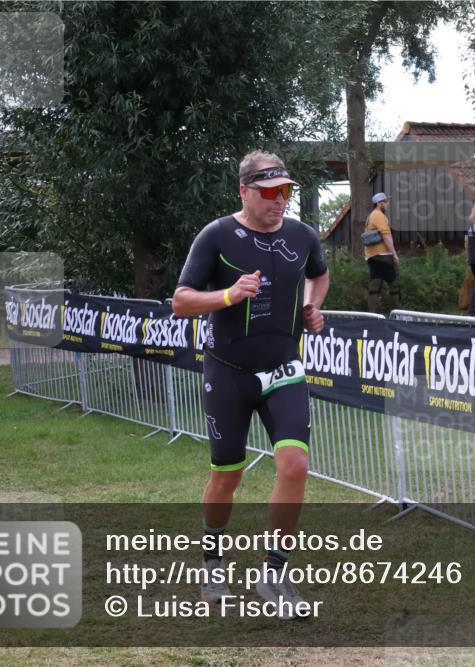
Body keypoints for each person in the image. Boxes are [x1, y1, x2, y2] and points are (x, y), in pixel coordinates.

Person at [172, 150, 330, 619]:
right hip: (228, 373)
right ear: (244, 191)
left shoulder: (301, 236)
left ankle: (274, 572)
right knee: (227, 476)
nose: (279, 201)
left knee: (295, 465)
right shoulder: (217, 236)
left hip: (283, 370)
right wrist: (228, 294)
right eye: (269, 193)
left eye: (285, 192)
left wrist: (311, 307)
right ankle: (213, 559)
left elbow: (319, 276)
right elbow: (180, 301)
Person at [363, 192, 400, 314]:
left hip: (371, 256)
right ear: (379, 203)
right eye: (385, 202)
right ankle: (397, 313)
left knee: (375, 285)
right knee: (394, 283)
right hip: (382, 255)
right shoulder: (379, 215)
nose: (387, 204)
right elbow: (386, 236)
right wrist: (394, 254)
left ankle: (374, 314)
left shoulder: (370, 216)